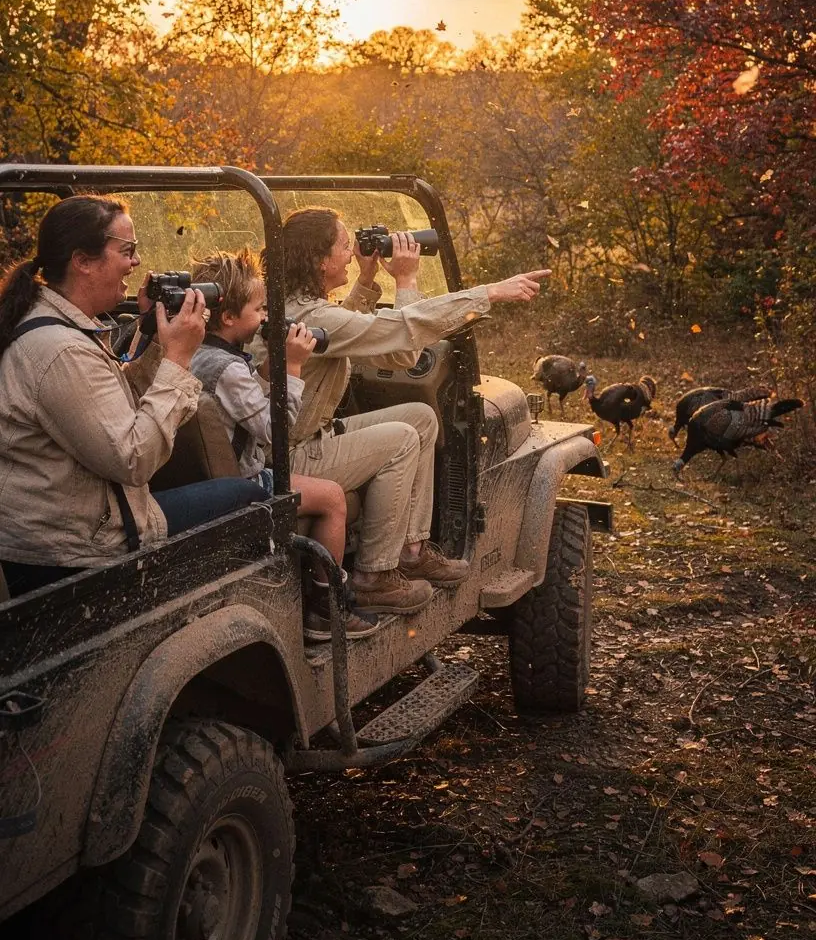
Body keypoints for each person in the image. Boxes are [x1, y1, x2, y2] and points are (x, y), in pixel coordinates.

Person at [0, 197, 276, 598]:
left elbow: (116, 406)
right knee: (252, 498)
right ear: (83, 261)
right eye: (127, 250)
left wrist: (154, 334)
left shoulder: (64, 325)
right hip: (75, 551)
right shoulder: (61, 350)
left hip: (80, 524)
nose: (137, 261)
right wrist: (179, 359)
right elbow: (133, 459)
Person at [282, 207, 549, 617]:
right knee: (402, 439)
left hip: (304, 440)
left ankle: (411, 549)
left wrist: (367, 281)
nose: (353, 252)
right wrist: (470, 290)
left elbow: (378, 344)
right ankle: (374, 576)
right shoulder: (313, 316)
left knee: (419, 418)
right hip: (293, 456)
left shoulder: (299, 308)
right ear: (320, 260)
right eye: (344, 245)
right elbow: (404, 337)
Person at [188, 249, 378, 640]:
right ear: (229, 317)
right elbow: (275, 431)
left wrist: (269, 367)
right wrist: (293, 368)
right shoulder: (228, 369)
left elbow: (242, 403)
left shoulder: (200, 353)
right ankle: (326, 607)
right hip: (245, 482)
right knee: (333, 498)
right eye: (259, 310)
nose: (264, 318)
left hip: (204, 480)